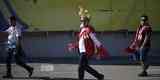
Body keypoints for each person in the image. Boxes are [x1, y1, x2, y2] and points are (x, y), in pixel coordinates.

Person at [76, 7, 109, 80]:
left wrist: (100, 49)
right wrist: (75, 46)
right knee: (85, 67)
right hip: (82, 51)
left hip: (86, 52)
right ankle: (99, 76)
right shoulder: (82, 29)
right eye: (82, 21)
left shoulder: (89, 29)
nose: (83, 22)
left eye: (84, 21)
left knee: (80, 67)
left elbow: (95, 40)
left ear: (87, 22)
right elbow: (81, 40)